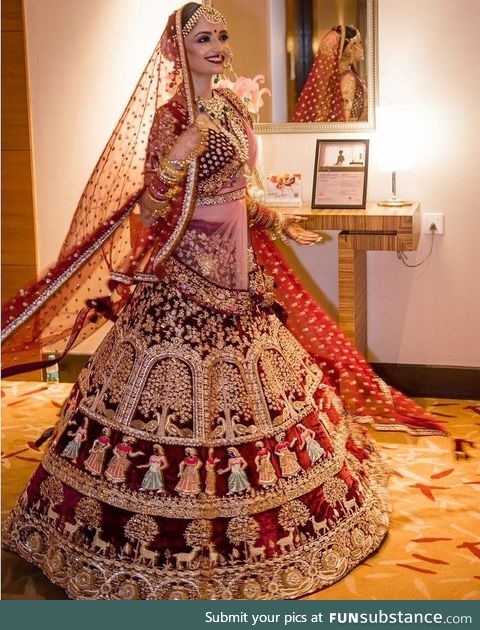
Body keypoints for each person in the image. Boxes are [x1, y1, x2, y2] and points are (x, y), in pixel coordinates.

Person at [2, 3, 445, 600]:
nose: (216, 45)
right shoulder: (170, 118)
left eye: (221, 35)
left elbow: (236, 191)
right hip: (186, 278)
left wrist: (282, 223)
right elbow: (155, 210)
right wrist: (181, 150)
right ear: (176, 51)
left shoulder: (231, 106)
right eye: (202, 38)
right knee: (170, 399)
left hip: (240, 270)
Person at [291, 25, 368, 122]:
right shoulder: (349, 78)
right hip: (352, 135)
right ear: (351, 47)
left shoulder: (341, 76)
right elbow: (344, 119)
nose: (361, 47)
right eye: (359, 42)